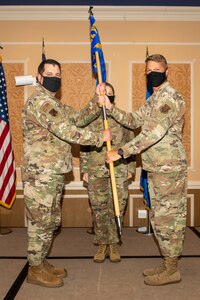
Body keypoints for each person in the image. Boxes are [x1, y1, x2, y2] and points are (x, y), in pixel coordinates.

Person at [21, 59, 111, 288]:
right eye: (49, 73)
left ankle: (40, 262)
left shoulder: (55, 104)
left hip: (52, 172)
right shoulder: (40, 102)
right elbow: (67, 130)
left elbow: (78, 119)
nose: (54, 77)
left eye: (57, 74)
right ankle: (34, 268)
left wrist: (96, 99)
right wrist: (97, 138)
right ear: (39, 78)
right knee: (41, 222)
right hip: (41, 174)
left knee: (50, 220)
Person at [104, 54, 187, 286]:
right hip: (155, 168)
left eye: (157, 69)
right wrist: (111, 108)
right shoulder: (153, 99)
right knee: (159, 218)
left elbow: (152, 134)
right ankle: (167, 262)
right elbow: (133, 120)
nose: (153, 74)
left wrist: (120, 152)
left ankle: (172, 269)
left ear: (167, 70)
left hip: (169, 169)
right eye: (148, 71)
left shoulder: (171, 98)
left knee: (169, 219)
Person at [80, 82, 136, 263]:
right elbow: (84, 146)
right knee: (99, 208)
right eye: (104, 93)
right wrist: (84, 169)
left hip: (118, 170)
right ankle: (102, 243)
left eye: (110, 93)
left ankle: (113, 245)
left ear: (113, 96)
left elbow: (131, 145)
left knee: (117, 207)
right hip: (96, 170)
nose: (107, 95)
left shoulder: (122, 119)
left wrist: (131, 168)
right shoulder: (91, 119)